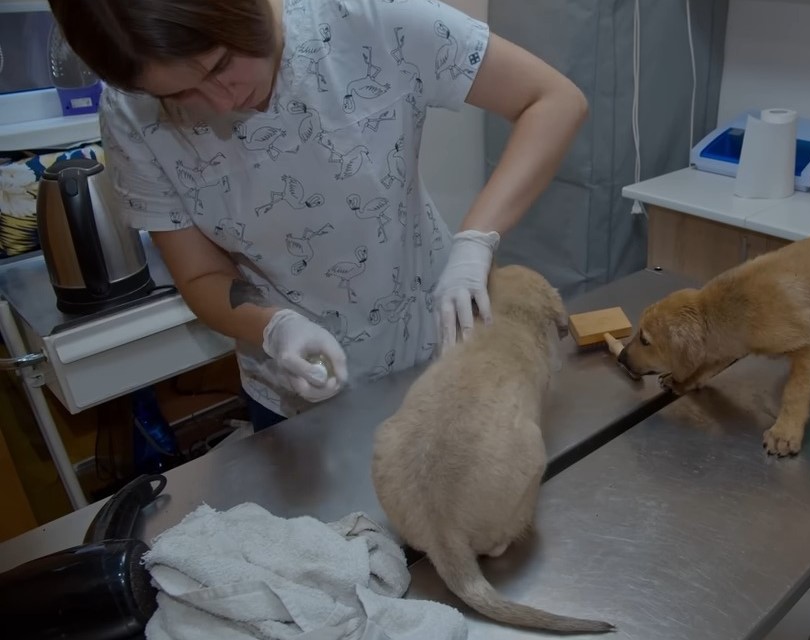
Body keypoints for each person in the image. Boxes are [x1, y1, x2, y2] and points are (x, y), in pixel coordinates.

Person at [47, 0, 588, 431]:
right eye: (181, 94)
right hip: (293, 398)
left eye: (220, 65)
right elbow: (199, 274)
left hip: (436, 357)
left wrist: (475, 241)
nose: (219, 101)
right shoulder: (133, 115)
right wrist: (271, 327)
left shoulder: (366, 20)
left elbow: (553, 100)